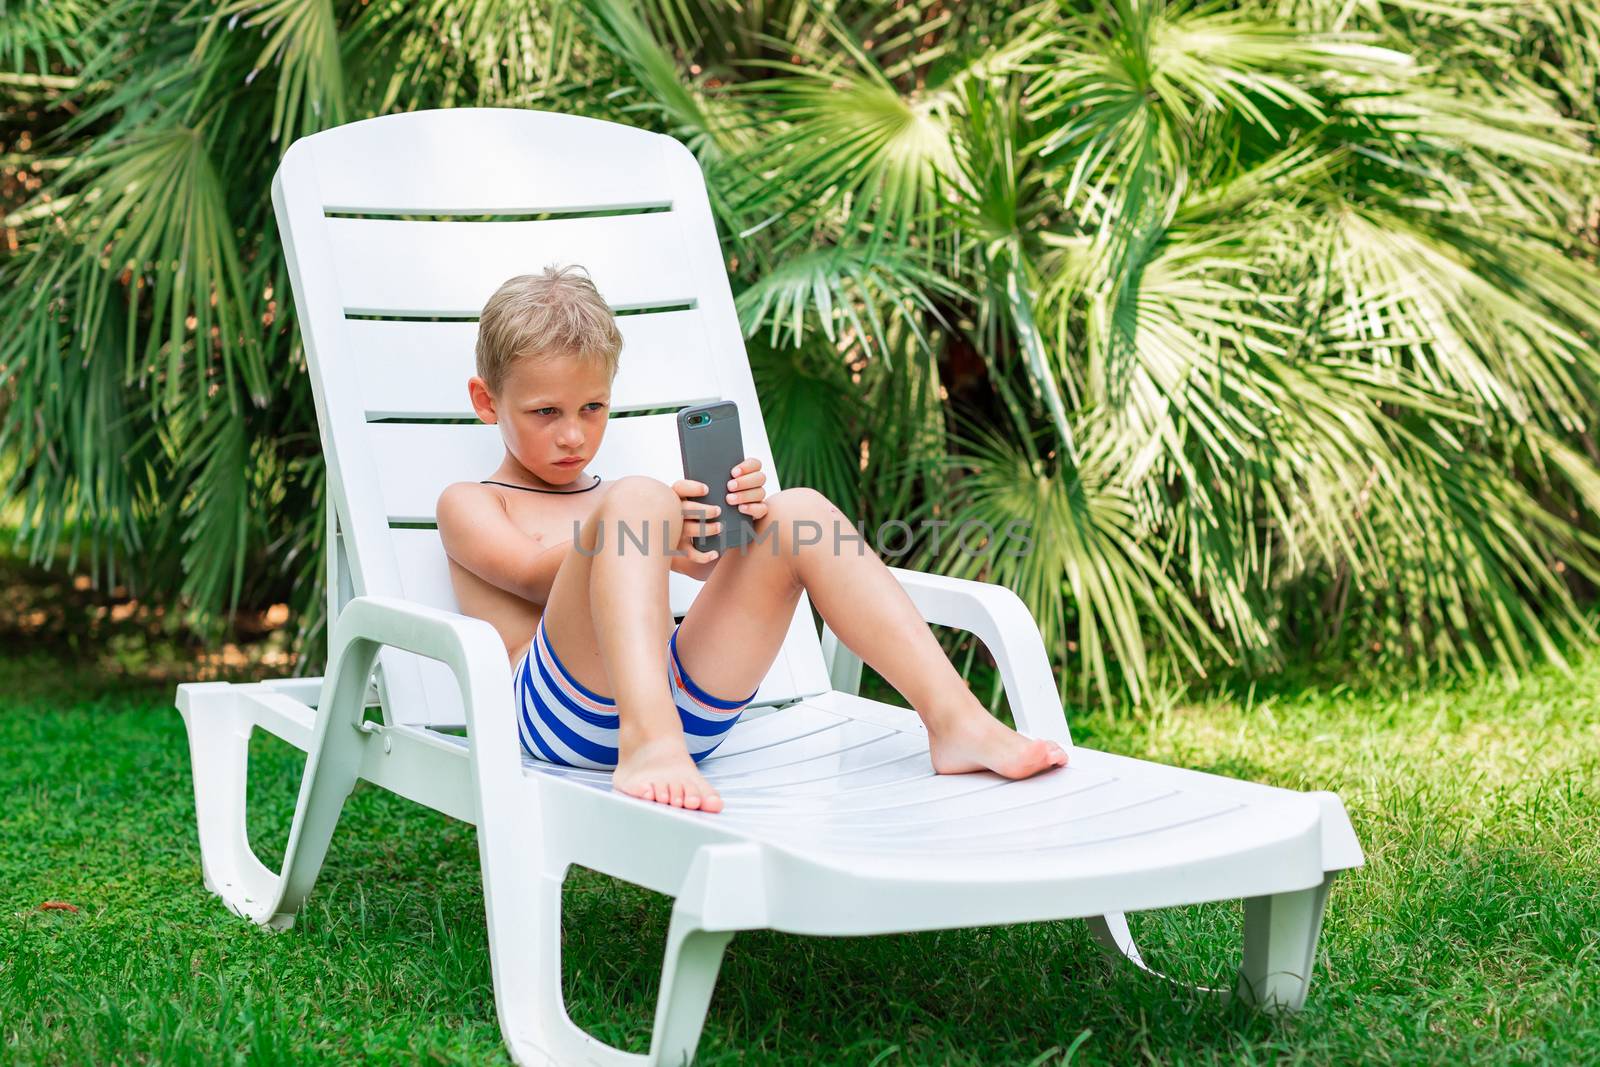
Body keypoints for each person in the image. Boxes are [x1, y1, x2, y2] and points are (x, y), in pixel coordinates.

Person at [436, 265, 1068, 813]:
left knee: (798, 513)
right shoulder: (470, 502)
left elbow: (704, 578)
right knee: (639, 495)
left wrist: (728, 532)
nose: (573, 435)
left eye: (592, 409)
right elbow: (530, 573)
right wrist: (650, 527)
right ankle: (648, 742)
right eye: (545, 413)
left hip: (685, 709)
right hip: (559, 719)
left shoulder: (620, 504)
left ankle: (955, 721)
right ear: (487, 402)